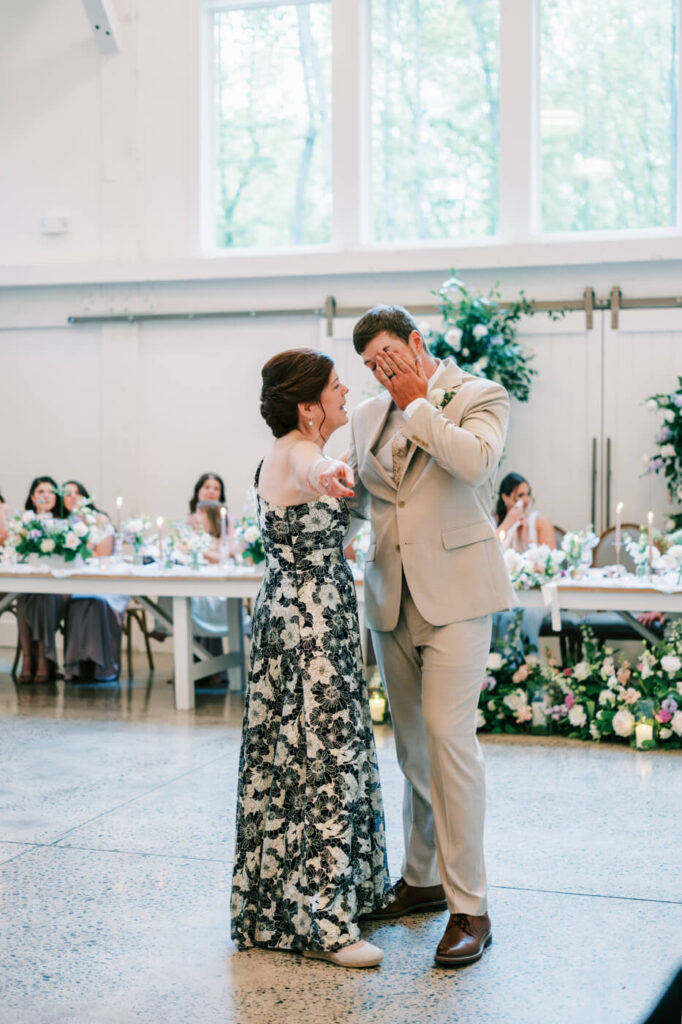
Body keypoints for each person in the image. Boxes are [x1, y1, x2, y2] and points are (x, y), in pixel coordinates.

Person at [347, 304, 514, 967]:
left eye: (387, 358)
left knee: (450, 740)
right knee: (413, 749)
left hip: (459, 594)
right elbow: (359, 500)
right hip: (390, 596)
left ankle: (471, 904)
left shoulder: (480, 395)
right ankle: (422, 882)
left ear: (416, 344)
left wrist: (419, 405)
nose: (379, 373)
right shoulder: (364, 417)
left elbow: (475, 464)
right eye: (369, 367)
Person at [231, 348, 391, 969]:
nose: (344, 391)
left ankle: (286, 906)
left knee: (289, 754)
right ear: (307, 405)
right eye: (334, 386)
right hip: (311, 624)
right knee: (323, 755)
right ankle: (328, 925)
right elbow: (314, 468)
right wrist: (330, 476)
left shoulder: (282, 451)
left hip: (292, 609)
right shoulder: (300, 452)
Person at [61, 480, 128, 682]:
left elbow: (103, 554)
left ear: (85, 498)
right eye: (67, 493)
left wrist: (80, 550)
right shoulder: (61, 524)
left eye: (77, 493)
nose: (73, 497)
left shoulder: (100, 520)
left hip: (107, 582)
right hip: (74, 583)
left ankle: (101, 664)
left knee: (95, 600)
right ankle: (79, 664)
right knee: (79, 600)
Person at [16, 477, 65, 683]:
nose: (46, 495)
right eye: (41, 491)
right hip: (31, 586)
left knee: (44, 596)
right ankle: (30, 659)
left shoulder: (64, 524)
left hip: (61, 588)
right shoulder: (24, 524)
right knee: (26, 597)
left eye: (50, 492)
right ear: (33, 497)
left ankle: (42, 658)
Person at [495, 472, 556, 551]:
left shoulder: (539, 520)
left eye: (528, 494)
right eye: (520, 495)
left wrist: (526, 539)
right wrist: (507, 523)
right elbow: (490, 549)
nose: (526, 500)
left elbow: (552, 554)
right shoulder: (493, 521)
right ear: (505, 497)